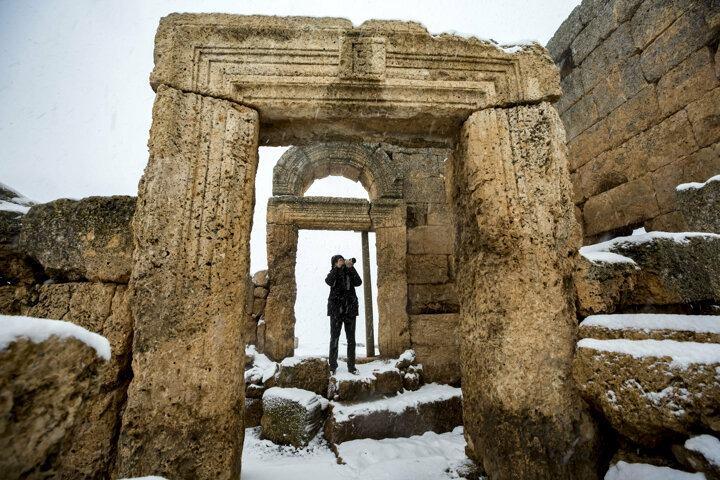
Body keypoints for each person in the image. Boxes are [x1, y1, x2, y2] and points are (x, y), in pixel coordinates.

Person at [325, 254, 362, 375]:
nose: (341, 262)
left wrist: (351, 267)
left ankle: (351, 367)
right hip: (336, 311)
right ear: (334, 263)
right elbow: (329, 281)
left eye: (342, 260)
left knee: (351, 339)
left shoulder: (349, 272)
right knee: (334, 339)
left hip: (350, 310)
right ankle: (332, 366)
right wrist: (337, 268)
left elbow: (358, 282)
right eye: (339, 261)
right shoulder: (333, 273)